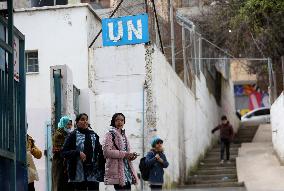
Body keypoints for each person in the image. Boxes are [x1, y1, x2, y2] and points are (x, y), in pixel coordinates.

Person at [62, 113, 105, 191]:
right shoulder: (73, 135)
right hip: (78, 172)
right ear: (77, 122)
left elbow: (100, 152)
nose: (85, 121)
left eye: (86, 119)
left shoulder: (93, 135)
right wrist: (77, 153)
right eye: (82, 119)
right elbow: (64, 152)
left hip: (93, 173)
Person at [103, 113, 139, 190]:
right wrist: (125, 154)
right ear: (113, 121)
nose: (120, 122)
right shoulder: (110, 134)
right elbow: (106, 152)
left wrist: (131, 156)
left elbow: (126, 153)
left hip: (127, 170)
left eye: (122, 120)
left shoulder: (123, 135)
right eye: (117, 120)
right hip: (117, 170)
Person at [52, 116, 73, 191]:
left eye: (70, 124)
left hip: (66, 162)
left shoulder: (69, 134)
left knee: (66, 183)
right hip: (59, 161)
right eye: (68, 124)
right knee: (59, 182)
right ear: (63, 124)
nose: (69, 126)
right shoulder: (59, 134)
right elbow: (60, 148)